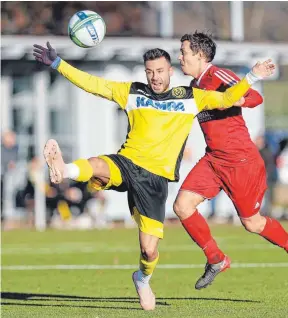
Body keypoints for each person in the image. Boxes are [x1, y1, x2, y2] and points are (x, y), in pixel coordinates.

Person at [33, 41, 274, 310]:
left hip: (155, 181)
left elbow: (228, 98)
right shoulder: (132, 92)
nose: (155, 77)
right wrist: (57, 64)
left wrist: (252, 76)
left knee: (149, 250)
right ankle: (64, 170)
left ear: (170, 71)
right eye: (150, 72)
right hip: (127, 162)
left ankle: (142, 278)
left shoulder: (190, 96)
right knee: (99, 164)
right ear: (145, 72)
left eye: (160, 71)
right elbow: (92, 83)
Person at [173, 31, 288, 290]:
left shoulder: (218, 76)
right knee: (182, 206)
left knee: (252, 223)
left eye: (184, 53)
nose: (180, 57)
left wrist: (239, 98)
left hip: (241, 161)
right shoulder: (193, 88)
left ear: (200, 56)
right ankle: (216, 259)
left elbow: (257, 97)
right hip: (213, 160)